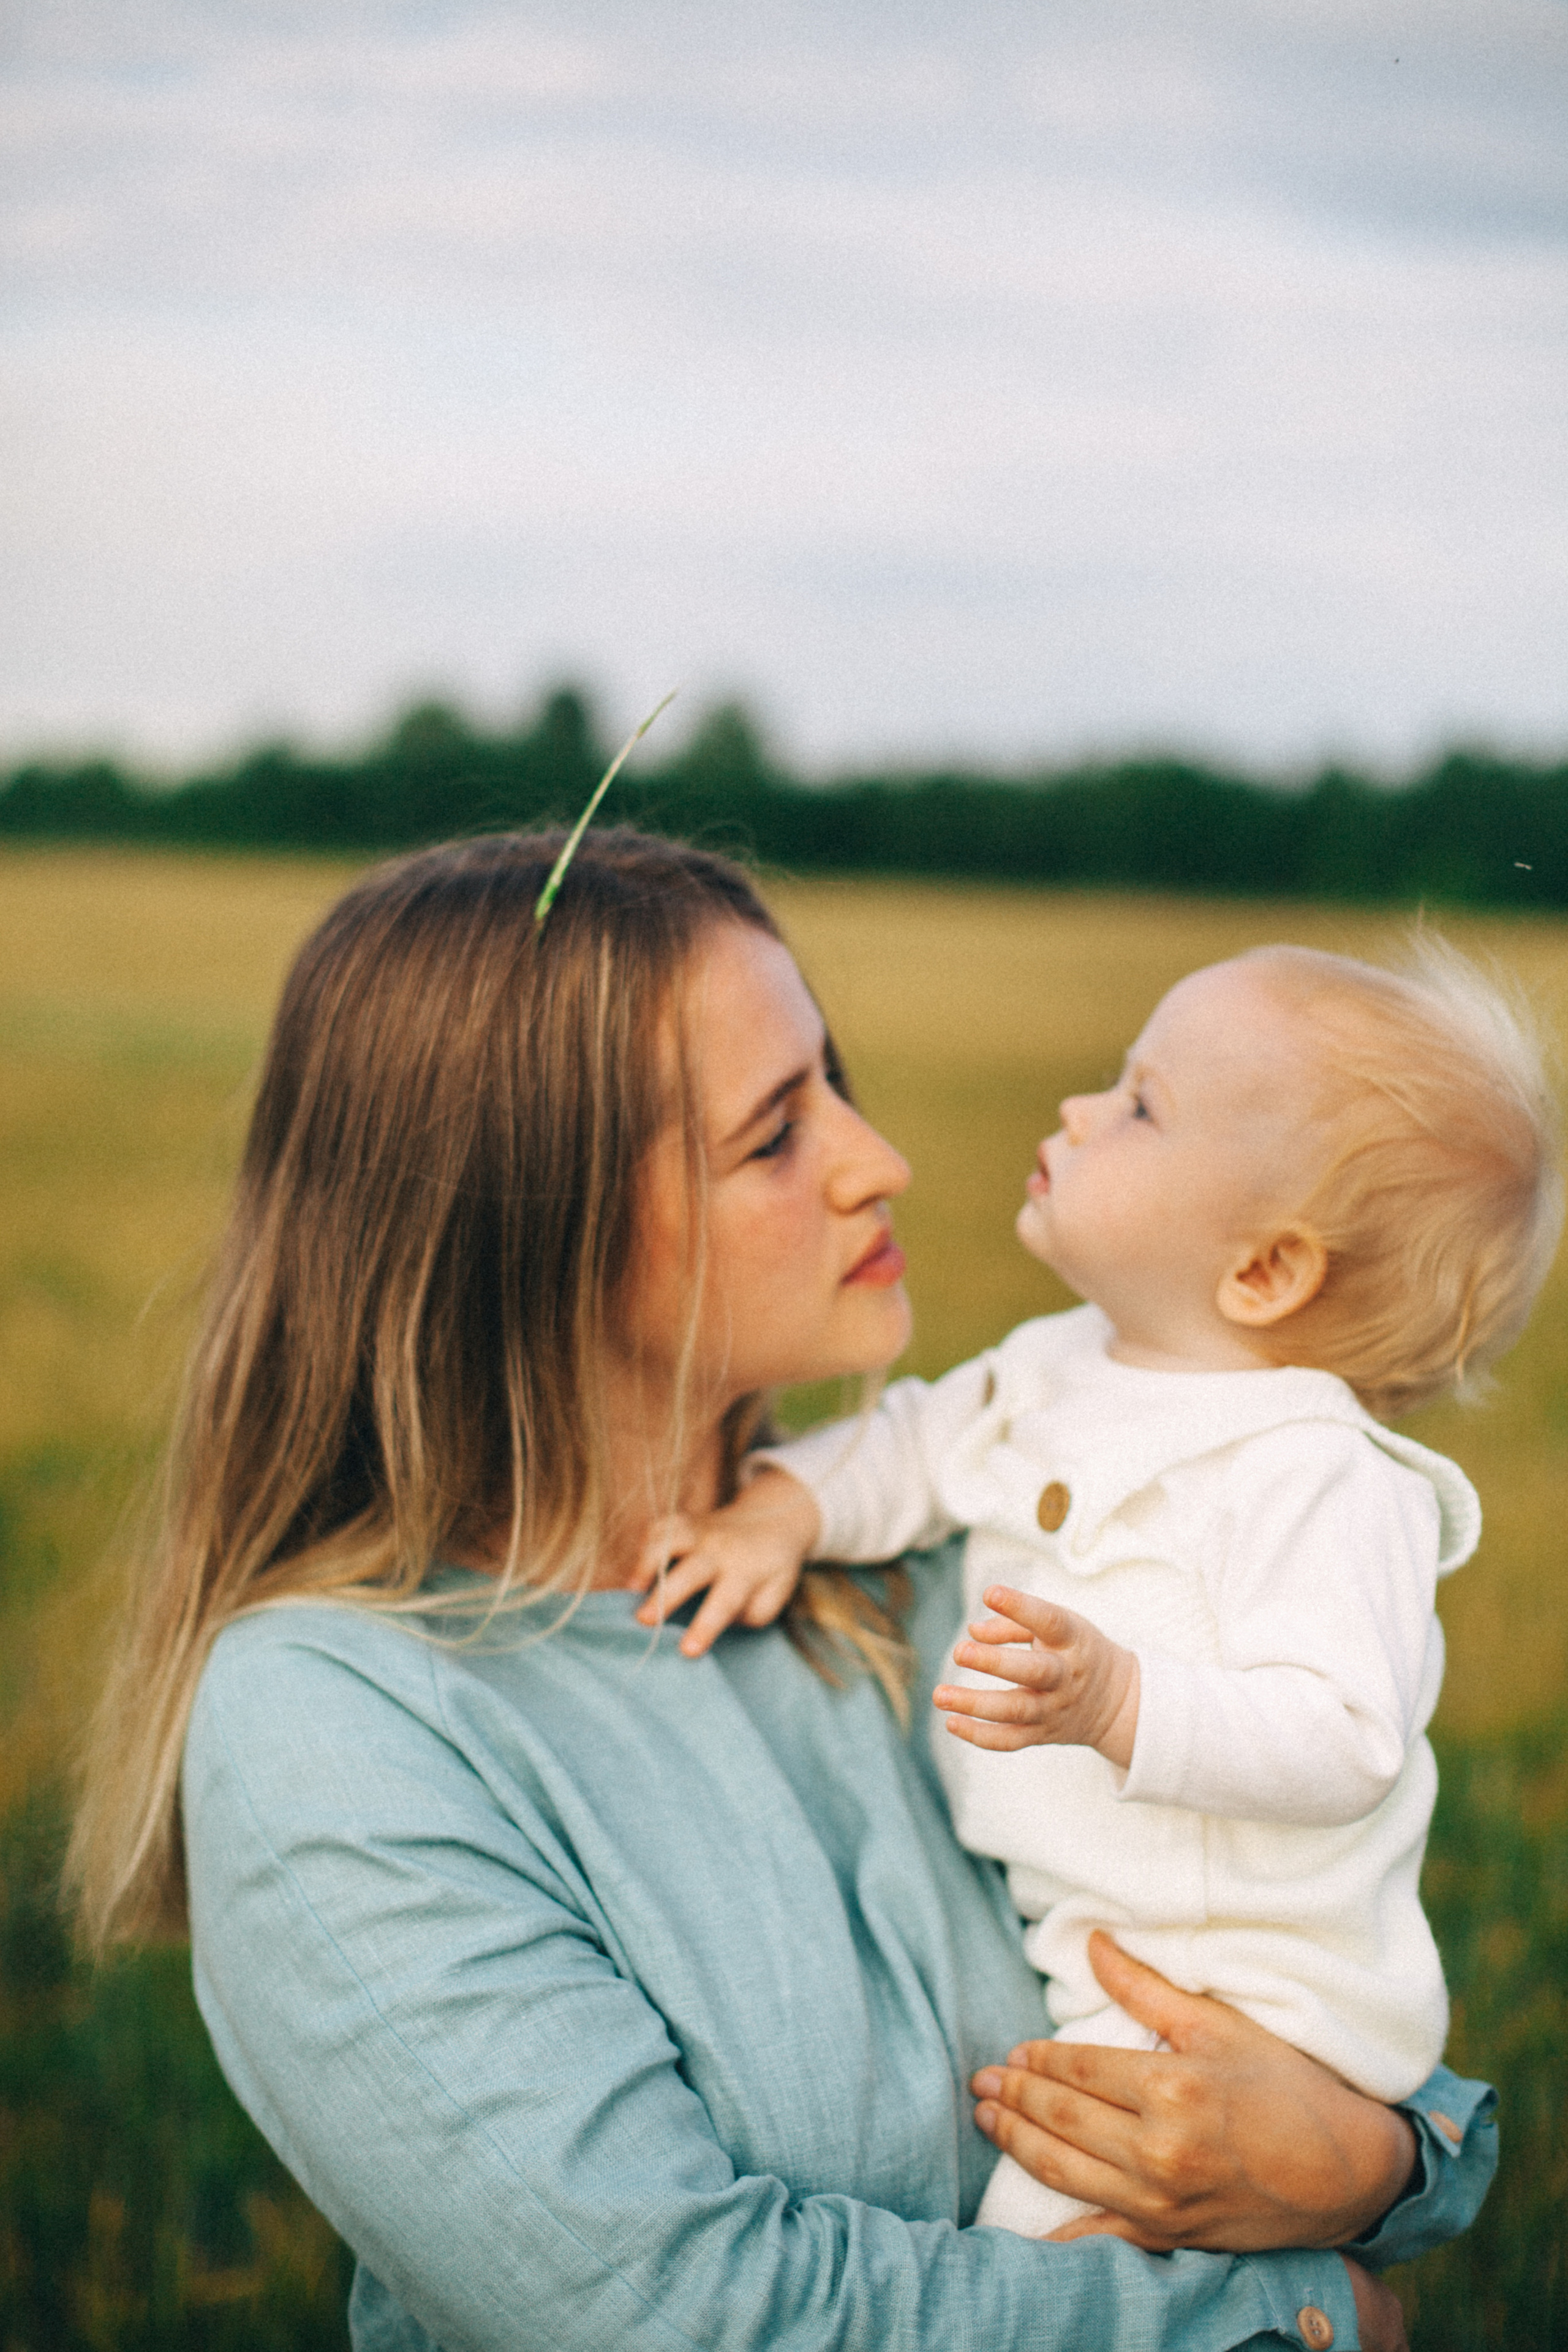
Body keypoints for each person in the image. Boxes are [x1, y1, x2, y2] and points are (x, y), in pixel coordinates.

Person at [67, 831, 1496, 2351]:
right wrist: (1302, 2309)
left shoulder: (936, 1550)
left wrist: (1376, 2163)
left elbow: (1278, 1938)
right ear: (525, 1234)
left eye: (835, 1082)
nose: (877, 1161)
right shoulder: (335, 1727)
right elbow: (685, 2315)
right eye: (770, 1136)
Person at [639, 937, 1555, 2241]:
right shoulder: (1059, 1362)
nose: (1076, 1110)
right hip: (1111, 1950)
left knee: (1051, 2226)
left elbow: (1344, 1738)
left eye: (1137, 1106)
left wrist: (1122, 1701)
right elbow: (914, 1444)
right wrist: (787, 1508)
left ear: (1261, 1272)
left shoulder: (1320, 1477)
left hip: (1242, 1991)